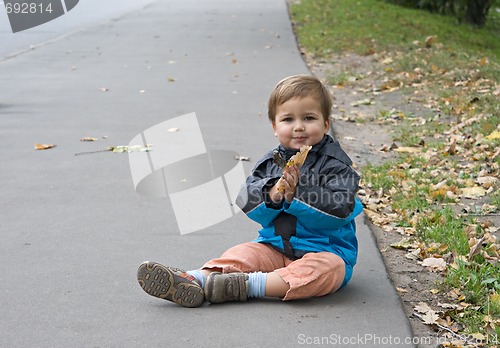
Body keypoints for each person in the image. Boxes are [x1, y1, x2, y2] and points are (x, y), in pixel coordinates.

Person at [137, 74, 363, 308]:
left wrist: (298, 193)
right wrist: (274, 192)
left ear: (326, 124)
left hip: (324, 250)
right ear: (275, 127)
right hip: (274, 246)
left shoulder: (337, 166)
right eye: (288, 119)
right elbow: (246, 199)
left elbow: (340, 209)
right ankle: (197, 278)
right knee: (244, 253)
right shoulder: (270, 163)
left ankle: (246, 285)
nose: (298, 127)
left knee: (324, 271)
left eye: (309, 118)